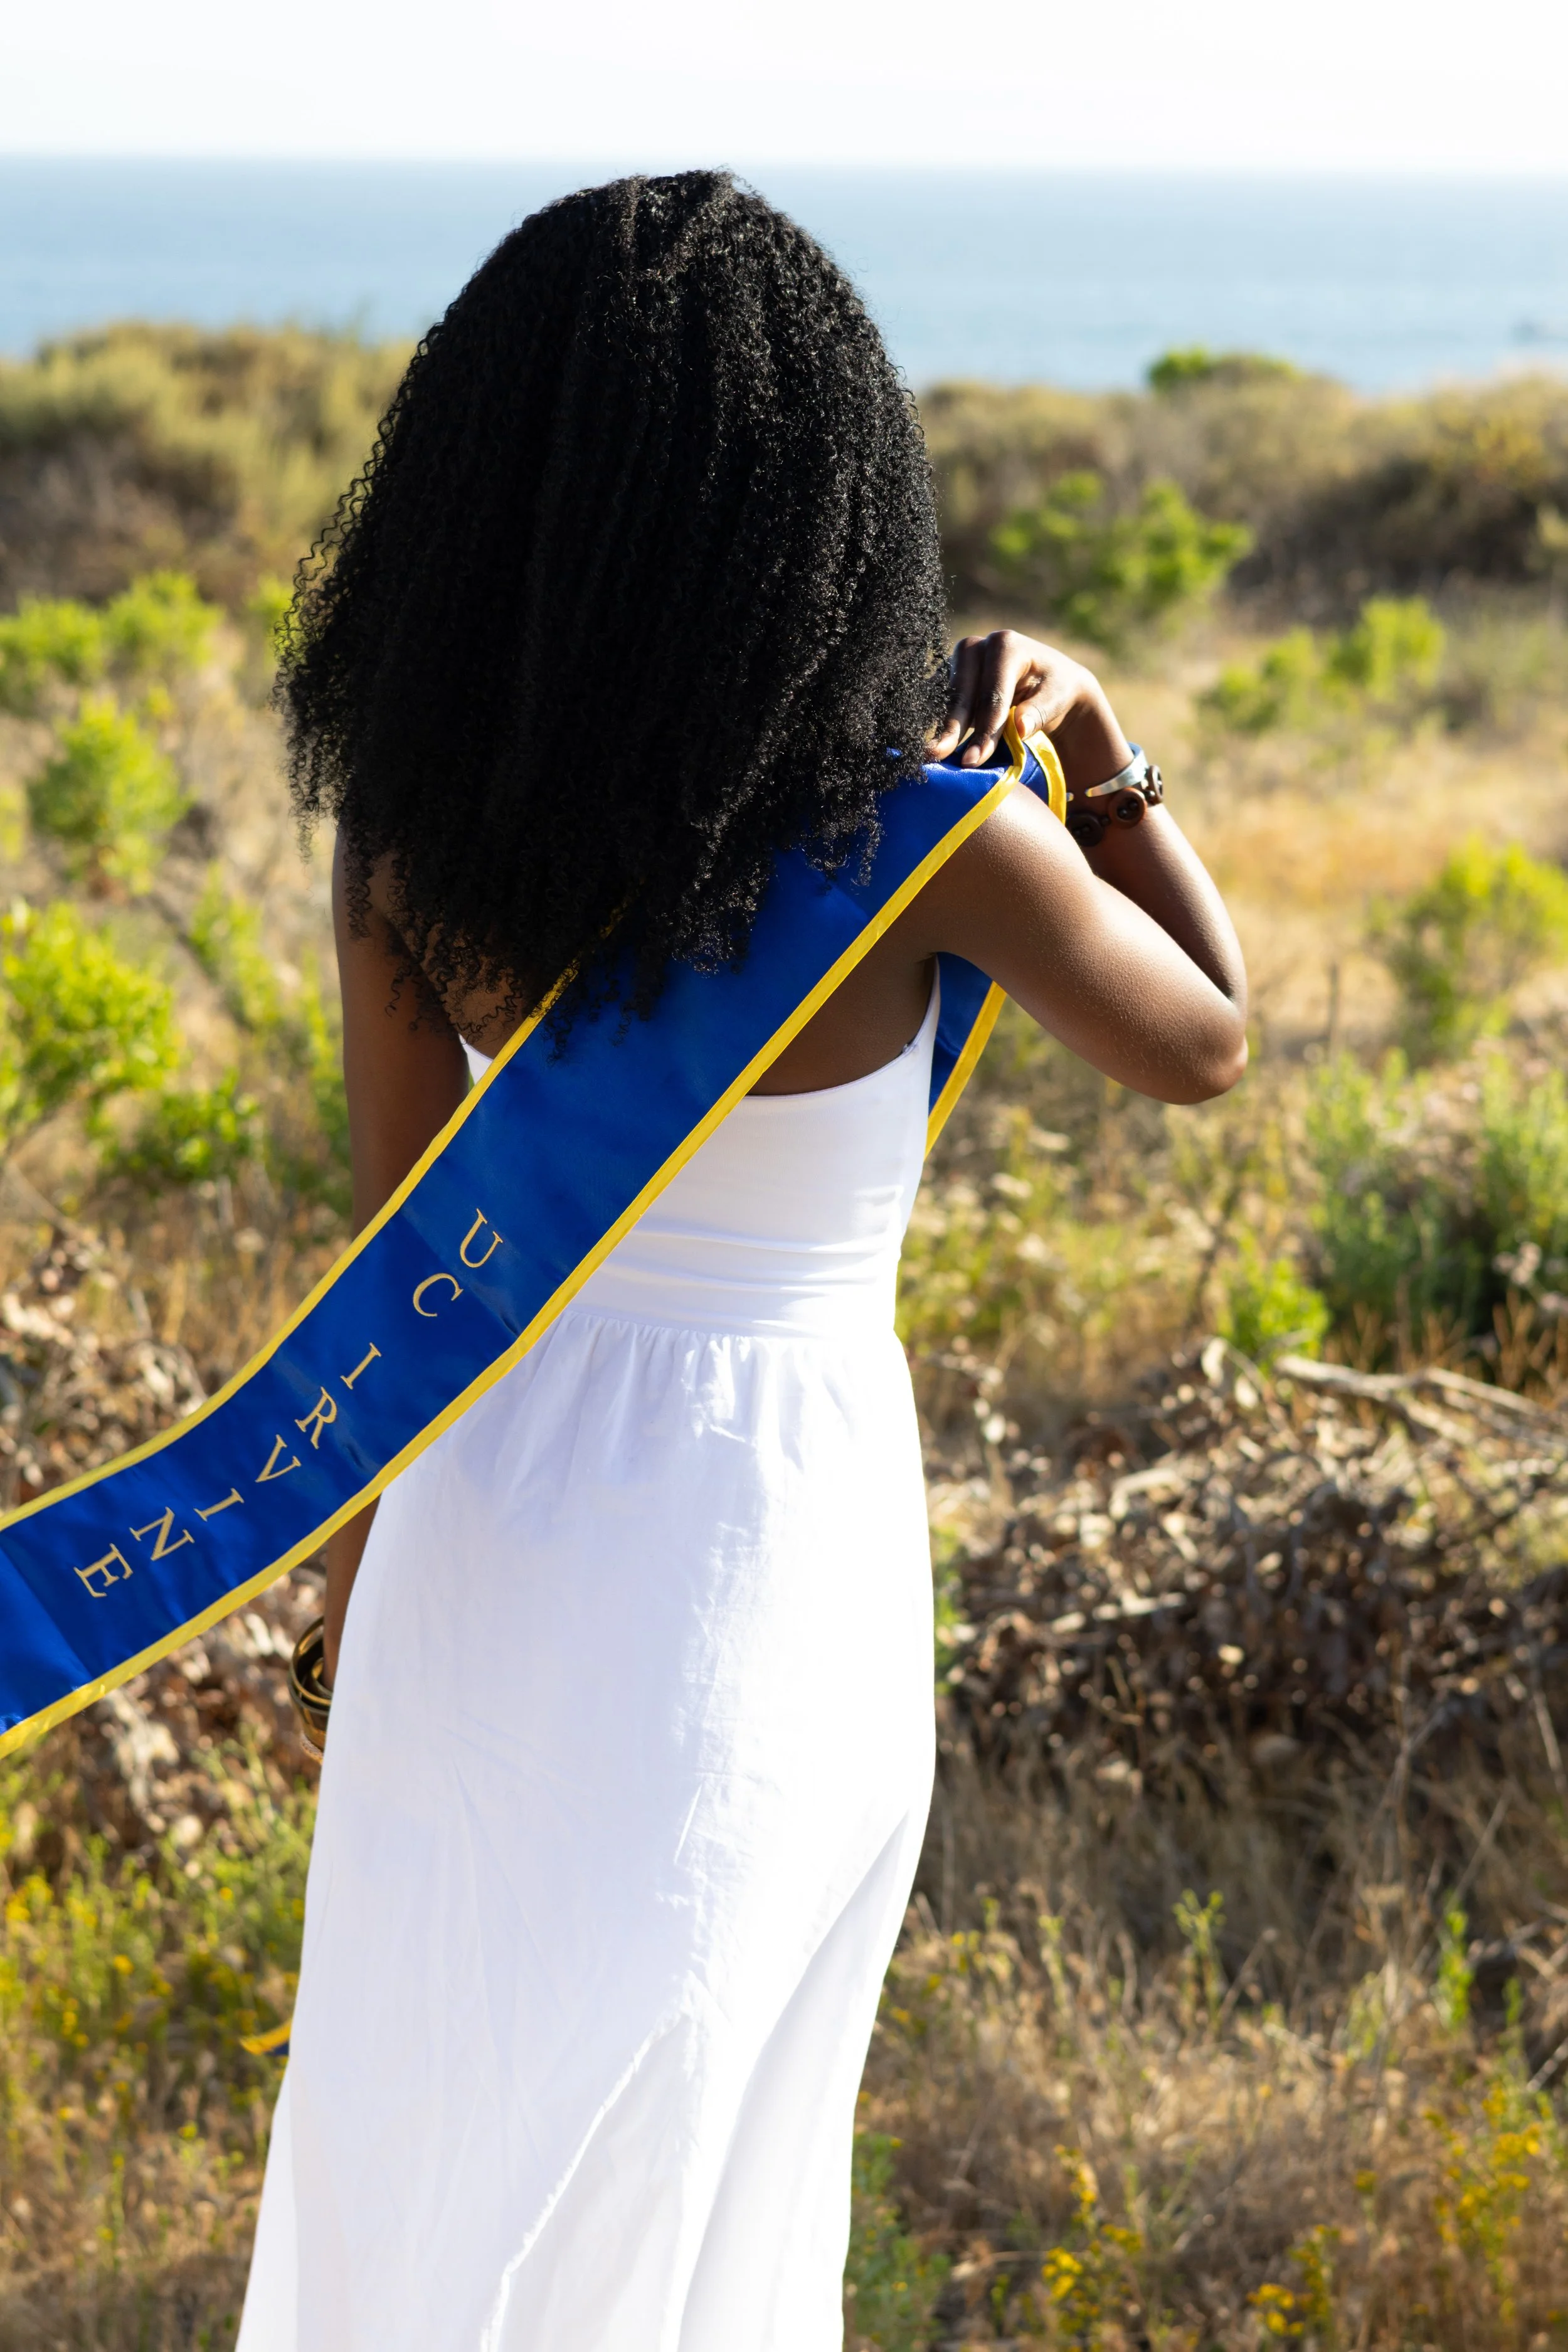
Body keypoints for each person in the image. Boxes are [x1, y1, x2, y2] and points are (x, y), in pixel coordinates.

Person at [236, 171, 1246, 2352]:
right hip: (758, 1549)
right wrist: (1097, 743)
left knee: (435, 2128)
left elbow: (411, 1254)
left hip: (481, 1546)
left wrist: (347, 1593)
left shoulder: (407, 836)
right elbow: (1207, 1035)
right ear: (828, 516)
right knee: (701, 2146)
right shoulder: (936, 850)